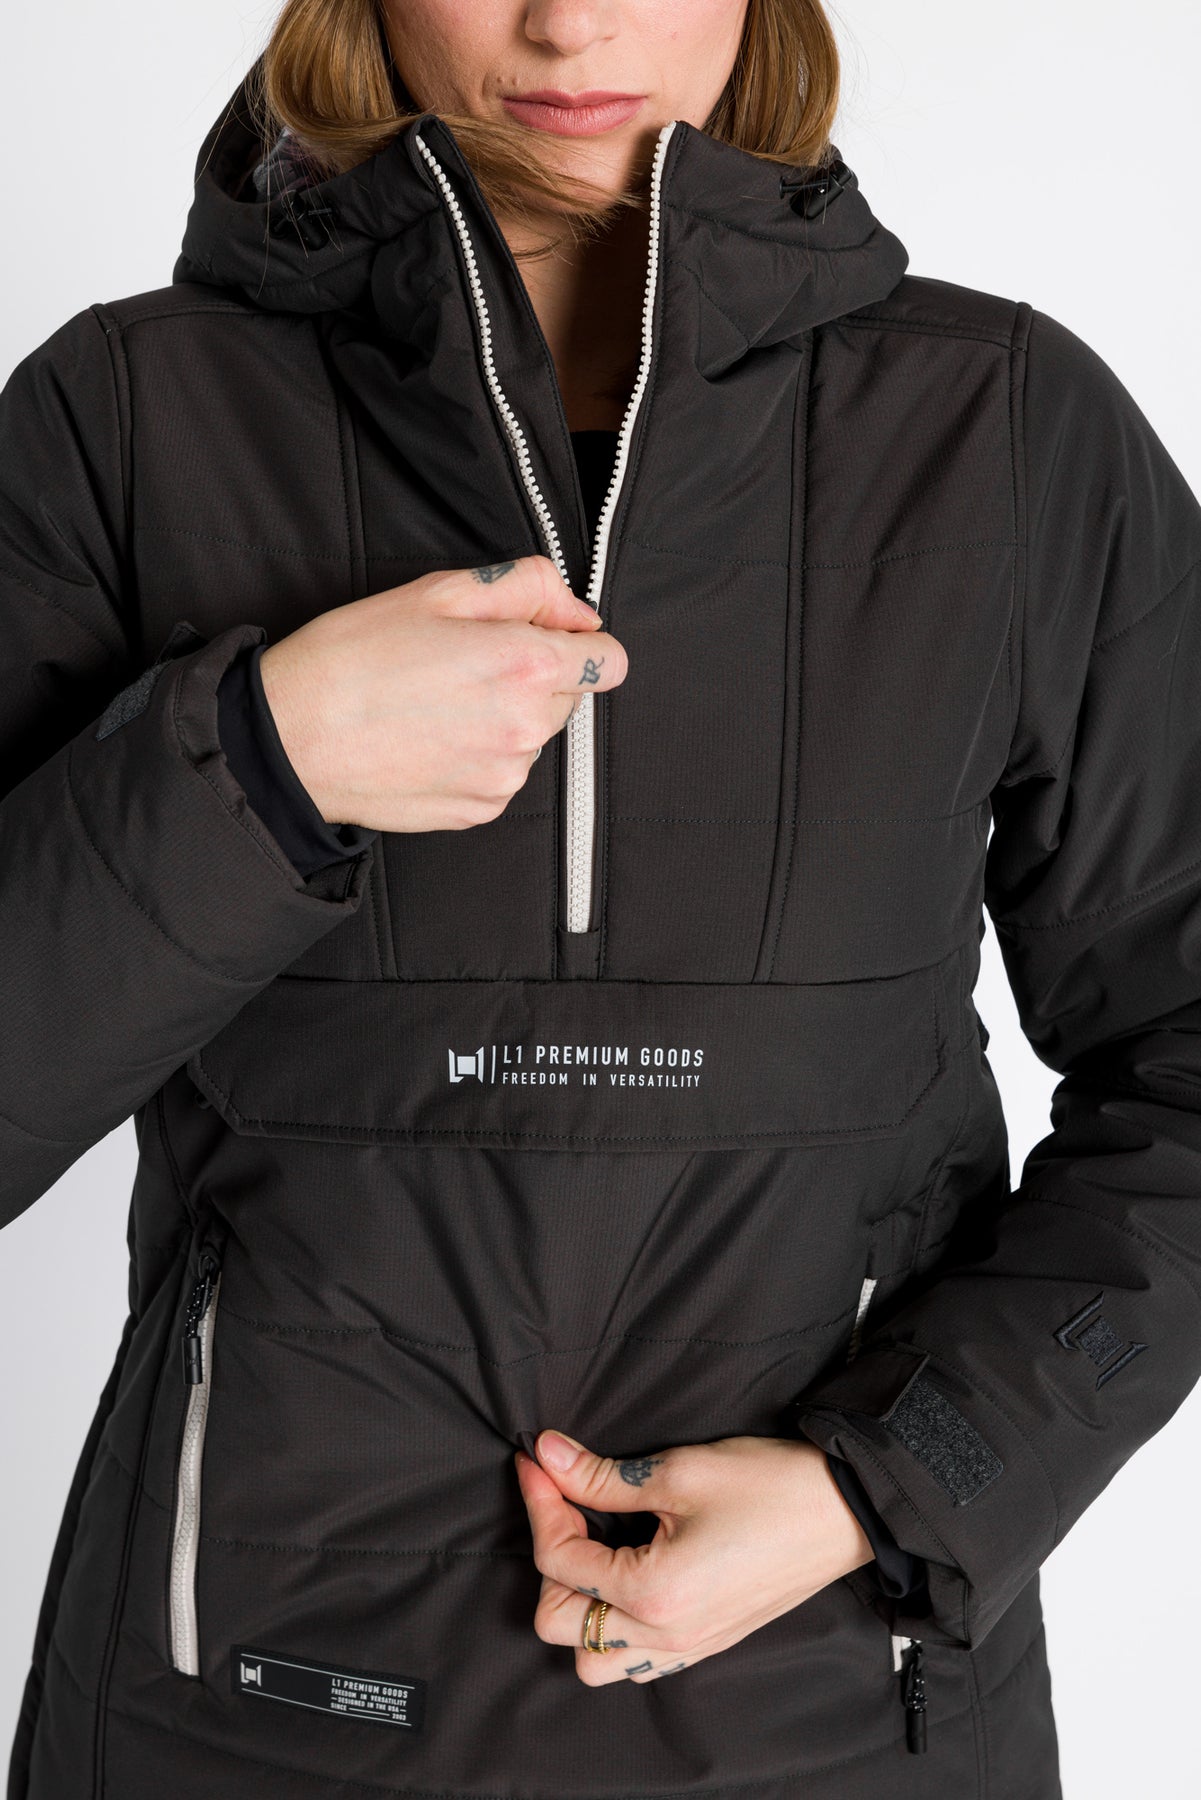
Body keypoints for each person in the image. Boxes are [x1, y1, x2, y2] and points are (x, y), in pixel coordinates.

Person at [3, 0, 1200, 1795]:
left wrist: (887, 1487)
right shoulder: (119, 417)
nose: (571, 22)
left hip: (848, 1710)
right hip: (231, 1712)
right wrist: (257, 763)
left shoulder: (1011, 428)